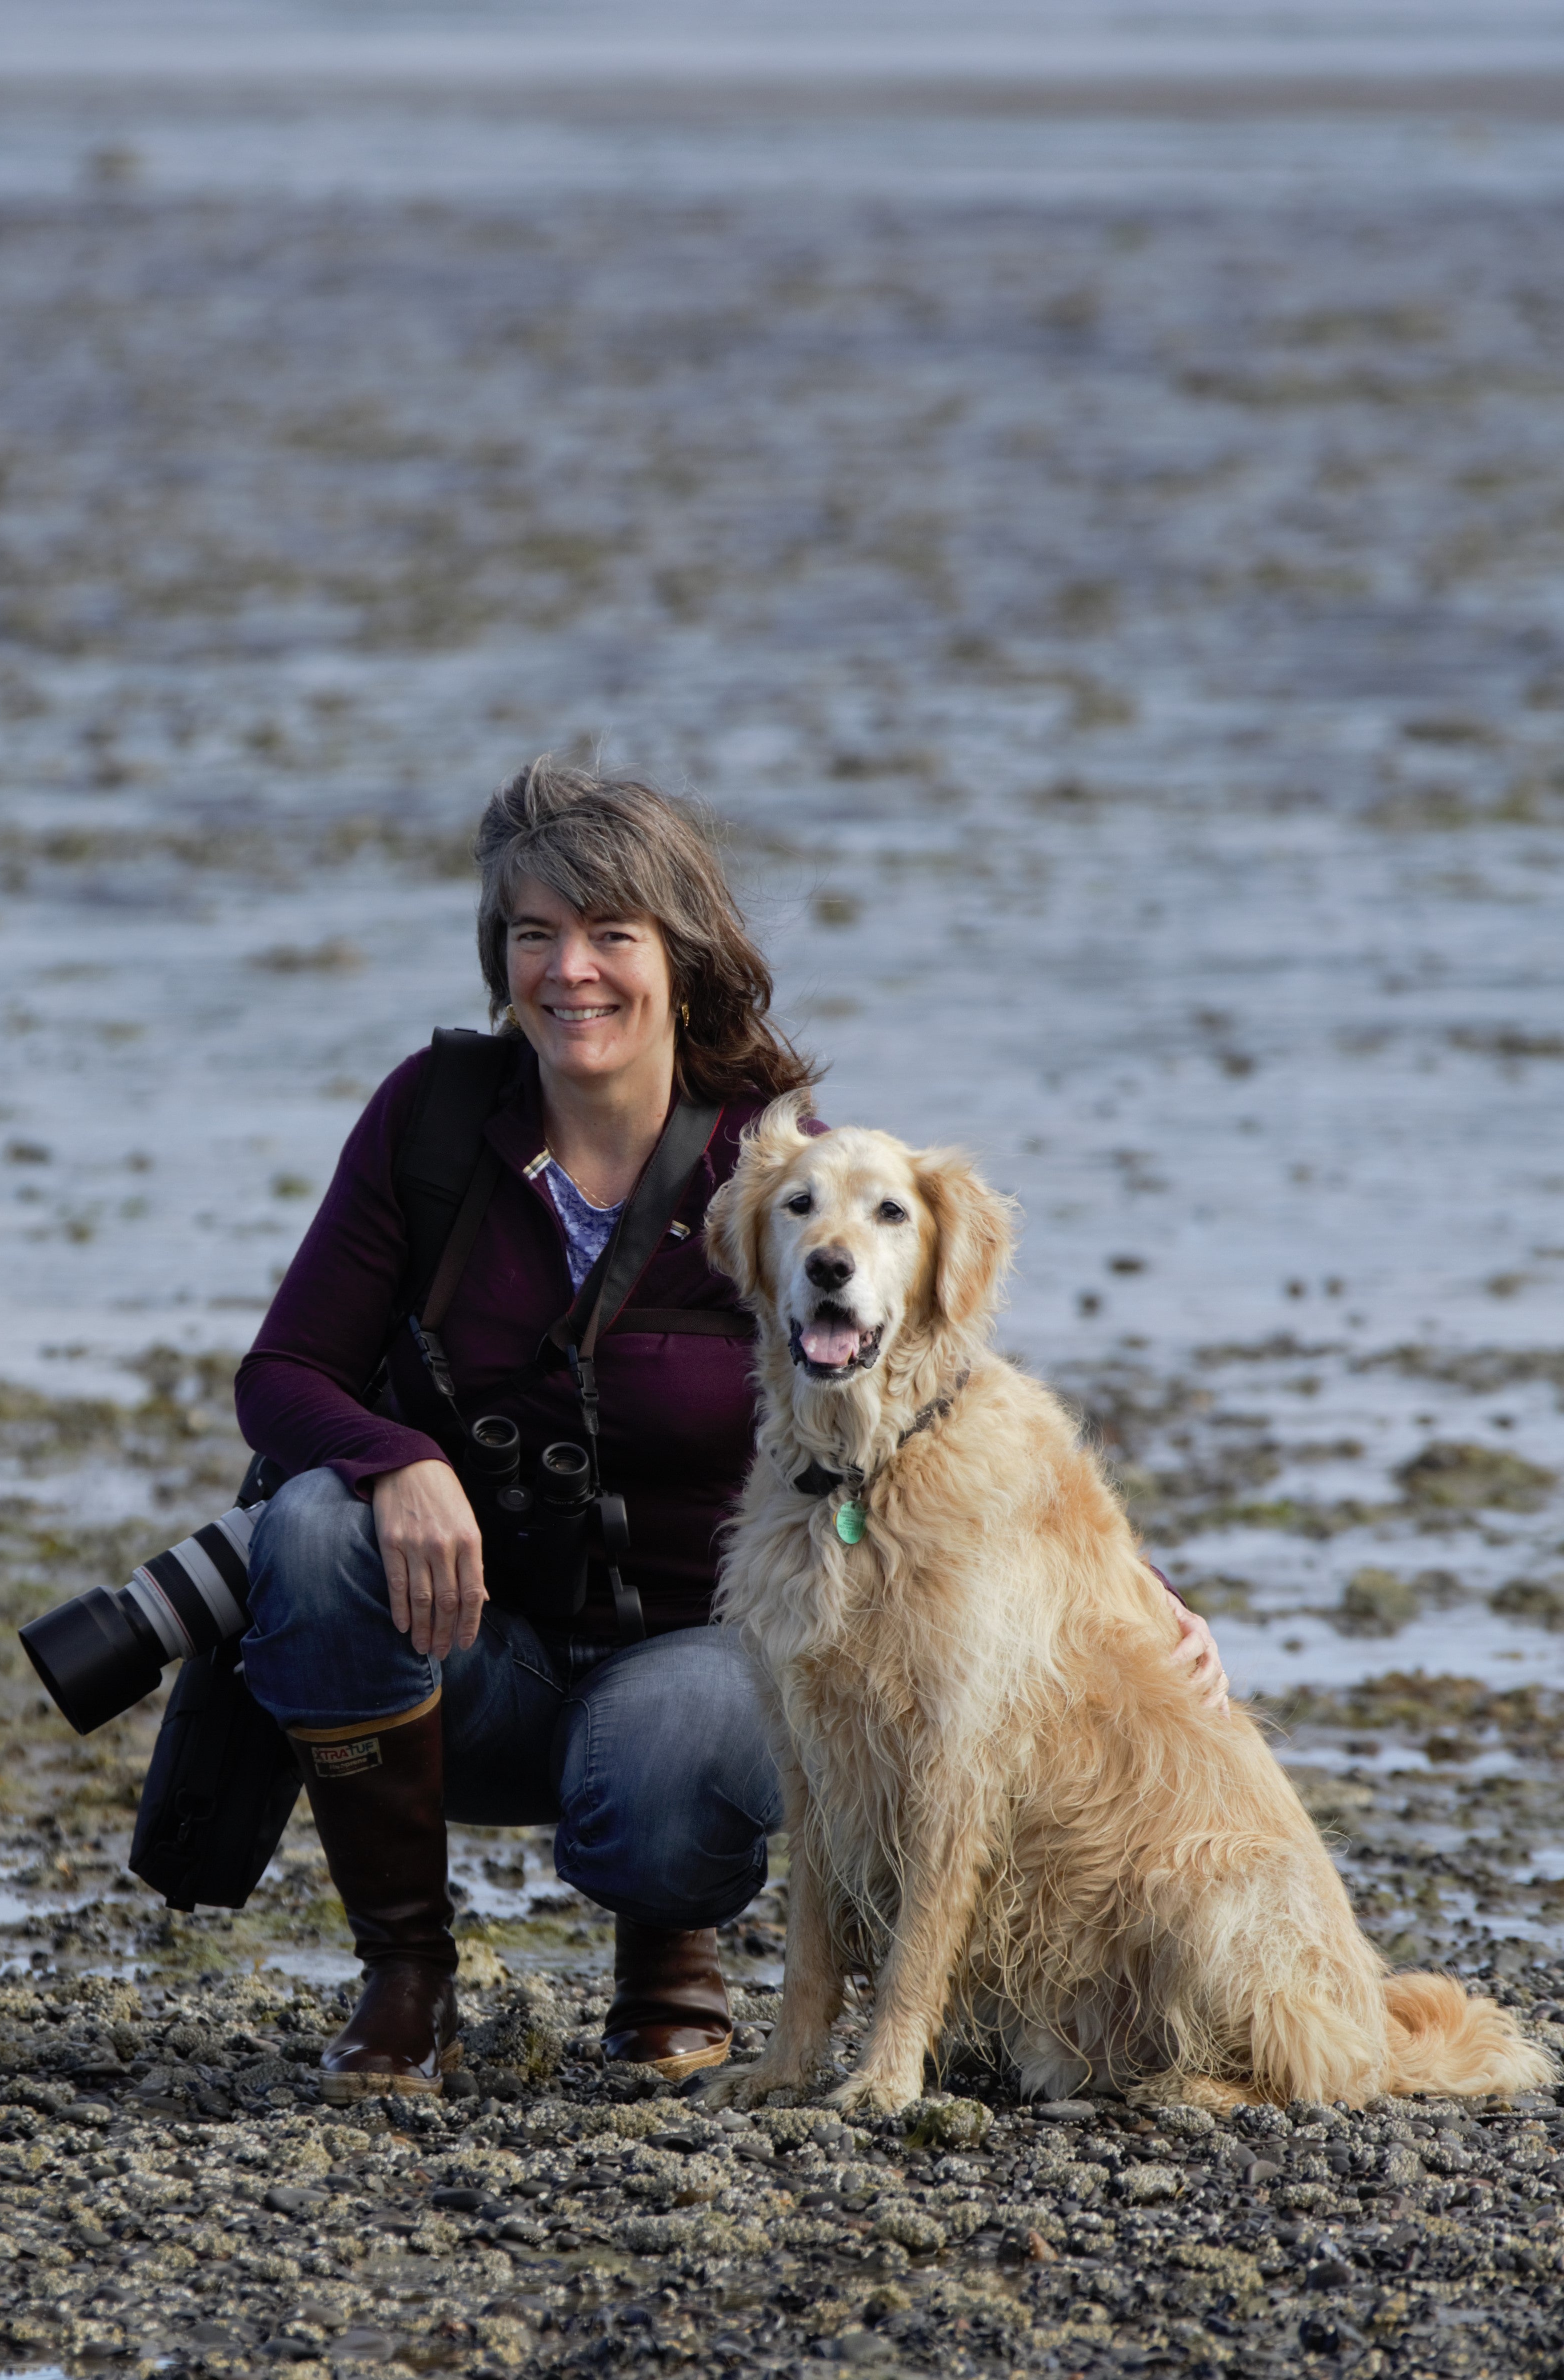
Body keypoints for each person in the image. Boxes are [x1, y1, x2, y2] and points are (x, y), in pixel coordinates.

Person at [233, 758, 1227, 2104]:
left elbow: (935, 1389)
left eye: (611, 936)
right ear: (500, 957)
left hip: (690, 1674)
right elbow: (284, 1373)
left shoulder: (786, 1177)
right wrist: (399, 1462)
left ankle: (671, 1963)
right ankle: (405, 1983)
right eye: (535, 934)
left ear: (682, 961)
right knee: (306, 1527)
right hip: (472, 1657)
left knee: (691, 1730)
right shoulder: (431, 1124)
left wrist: (1118, 1590)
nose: (571, 971)